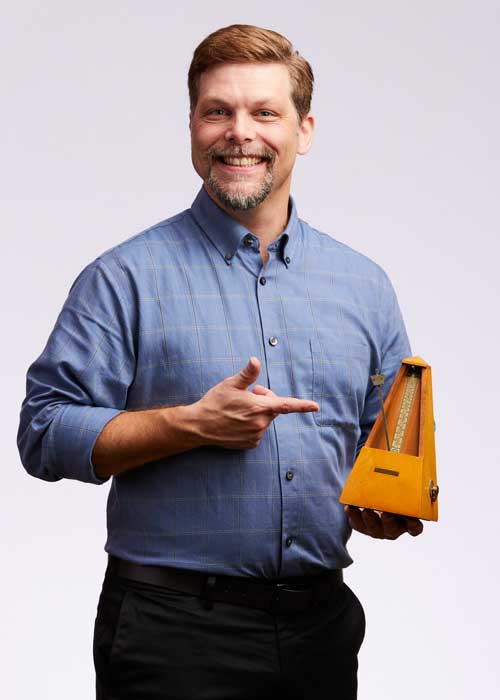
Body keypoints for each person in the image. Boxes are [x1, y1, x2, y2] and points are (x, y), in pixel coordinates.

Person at [18, 23, 423, 700]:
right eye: (218, 111)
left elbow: (381, 446)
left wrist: (383, 501)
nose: (241, 132)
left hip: (322, 630)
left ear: (305, 129)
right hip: (171, 636)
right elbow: (42, 433)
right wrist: (190, 424)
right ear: (192, 128)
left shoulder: (365, 285)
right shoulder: (123, 278)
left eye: (265, 112)